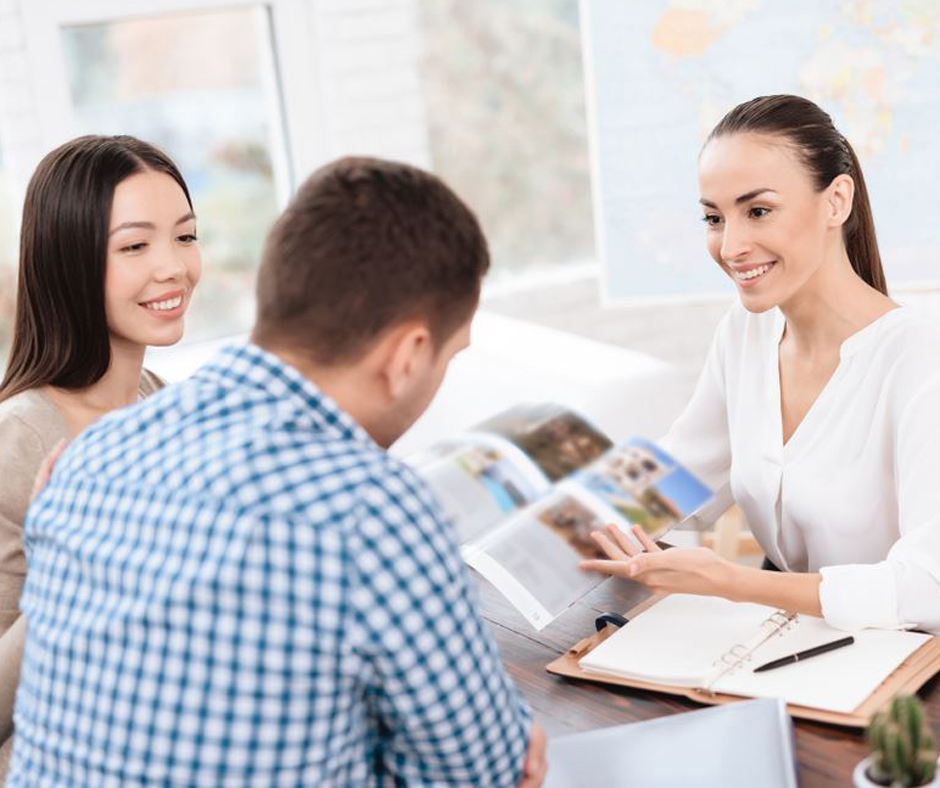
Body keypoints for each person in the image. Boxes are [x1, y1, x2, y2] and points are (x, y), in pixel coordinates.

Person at [7, 157, 546, 786]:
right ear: (408, 356)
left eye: (186, 236)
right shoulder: (370, 506)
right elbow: (487, 767)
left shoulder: (101, 450)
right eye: (450, 356)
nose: (172, 265)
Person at [582, 94, 940, 634]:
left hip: (909, 662)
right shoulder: (747, 330)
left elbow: (928, 586)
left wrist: (734, 582)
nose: (730, 247)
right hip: (793, 641)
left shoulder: (919, 359)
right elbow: (679, 471)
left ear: (836, 201)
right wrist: (560, 515)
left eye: (758, 212)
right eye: (713, 218)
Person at [0, 134, 201, 776]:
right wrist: (73, 570)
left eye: (186, 236)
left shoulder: (157, 400)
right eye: (135, 246)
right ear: (69, 260)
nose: (173, 267)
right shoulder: (21, 439)